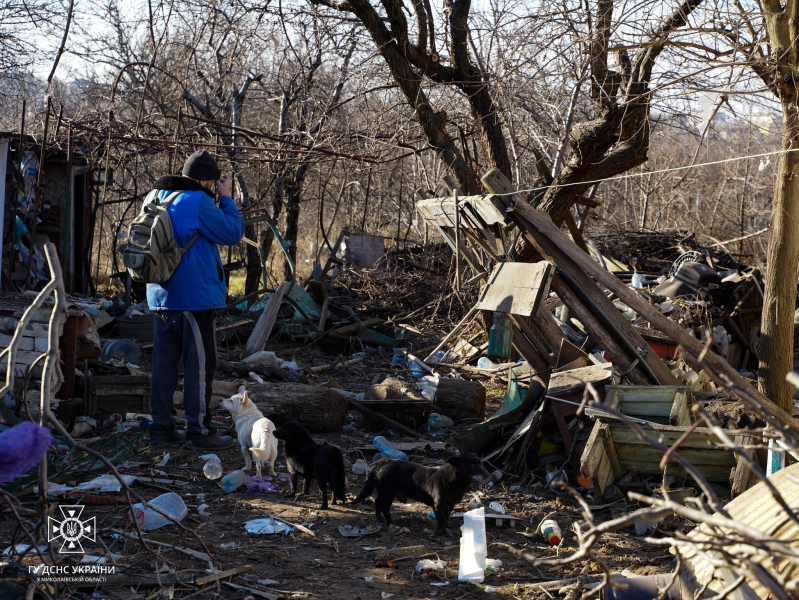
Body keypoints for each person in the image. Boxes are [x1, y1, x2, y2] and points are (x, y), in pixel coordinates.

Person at [147, 150, 245, 448]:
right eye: (214, 182)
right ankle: (199, 432)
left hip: (160, 296)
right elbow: (232, 232)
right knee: (200, 367)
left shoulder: (157, 195)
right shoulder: (197, 200)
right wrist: (226, 198)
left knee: (164, 366)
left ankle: (161, 430)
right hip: (193, 298)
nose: (215, 187)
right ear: (206, 180)